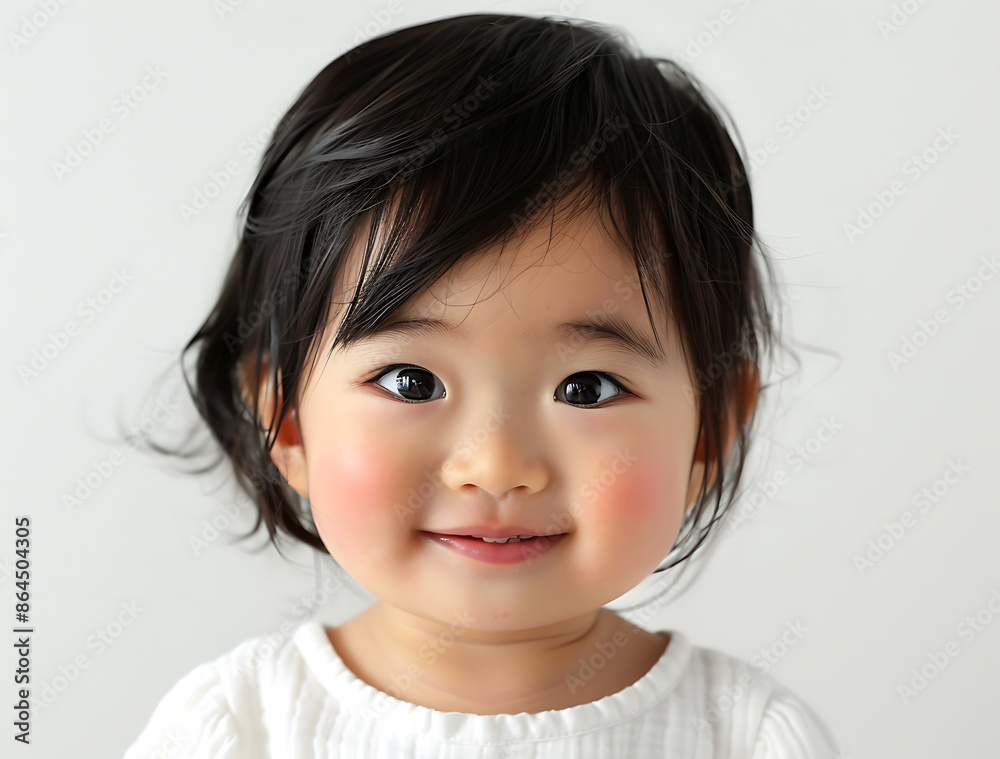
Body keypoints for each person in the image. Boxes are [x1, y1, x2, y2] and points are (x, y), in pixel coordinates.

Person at [124, 13, 839, 758]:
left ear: (711, 432)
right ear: (290, 423)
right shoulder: (237, 725)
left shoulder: (748, 737)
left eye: (587, 388)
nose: (496, 465)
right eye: (411, 380)